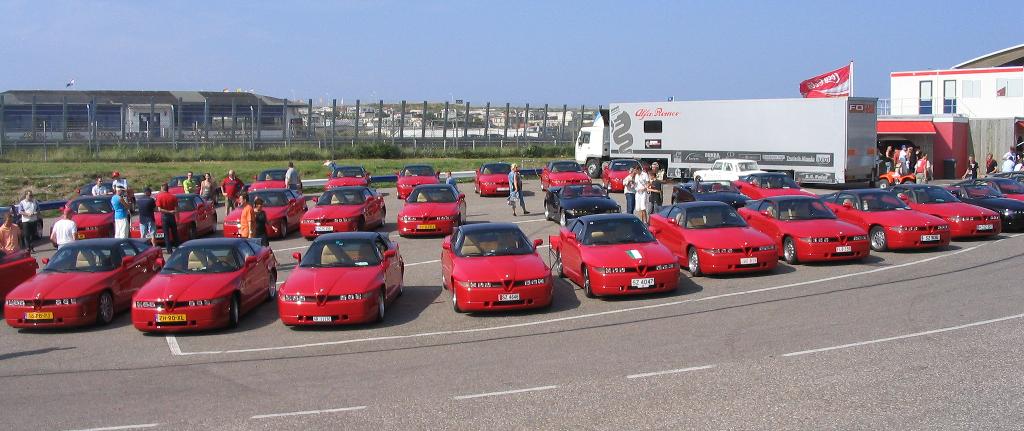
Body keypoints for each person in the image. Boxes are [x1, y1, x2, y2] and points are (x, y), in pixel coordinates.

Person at [155, 184, 179, 253]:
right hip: (172, 216)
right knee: (175, 233)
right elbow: (177, 209)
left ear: (162, 188)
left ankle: (169, 249)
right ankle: (177, 247)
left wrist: (168, 211)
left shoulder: (159, 197)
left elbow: (159, 209)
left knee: (166, 234)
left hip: (165, 216)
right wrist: (177, 218)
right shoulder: (173, 197)